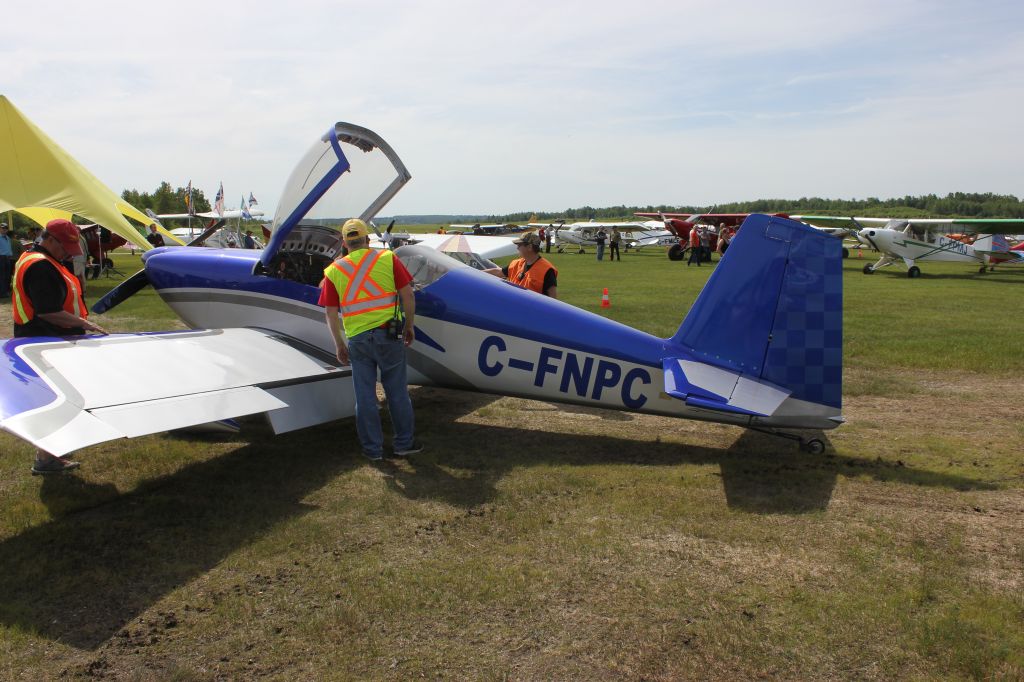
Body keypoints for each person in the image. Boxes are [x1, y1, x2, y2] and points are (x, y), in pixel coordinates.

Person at [12, 219, 108, 475]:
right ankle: (46, 459)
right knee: (61, 400)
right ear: (50, 239)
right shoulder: (41, 267)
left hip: (42, 339)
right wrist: (86, 325)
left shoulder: (32, 257)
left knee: (57, 400)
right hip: (47, 341)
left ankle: (50, 454)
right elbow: (49, 312)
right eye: (64, 246)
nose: (67, 252)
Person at [320, 218, 421, 461]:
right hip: (389, 334)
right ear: (367, 240)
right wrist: (409, 325)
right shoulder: (388, 259)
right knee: (397, 392)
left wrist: (338, 343)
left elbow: (330, 312)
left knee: (364, 396)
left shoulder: (334, 271)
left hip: (358, 340)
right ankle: (404, 444)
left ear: (345, 243)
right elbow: (407, 294)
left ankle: (373, 450)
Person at [484, 232, 558, 298]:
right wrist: (474, 272)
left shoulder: (547, 269)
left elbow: (553, 298)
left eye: (519, 245)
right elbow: (498, 272)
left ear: (529, 247)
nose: (517, 248)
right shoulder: (516, 264)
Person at [0, 223, 12, 297]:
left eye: (5, 228)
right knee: (2, 275)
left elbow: (8, 248)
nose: (4, 229)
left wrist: (10, 255)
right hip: (1, 257)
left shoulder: (8, 238)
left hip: (7, 258)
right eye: (2, 228)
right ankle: (2, 293)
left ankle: (5, 291)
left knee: (7, 275)